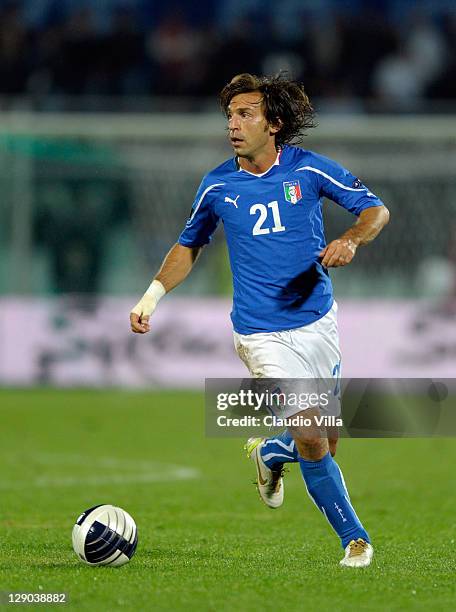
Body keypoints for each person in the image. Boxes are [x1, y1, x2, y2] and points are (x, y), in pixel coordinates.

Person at [130, 73, 390, 567]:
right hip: (260, 334)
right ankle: (355, 540)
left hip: (317, 323)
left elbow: (376, 211)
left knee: (325, 441)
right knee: (312, 435)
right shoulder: (217, 185)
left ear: (274, 124)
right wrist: (151, 297)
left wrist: (353, 238)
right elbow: (188, 247)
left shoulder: (310, 170)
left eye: (245, 114)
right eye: (230, 114)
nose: (233, 123)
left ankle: (271, 452)